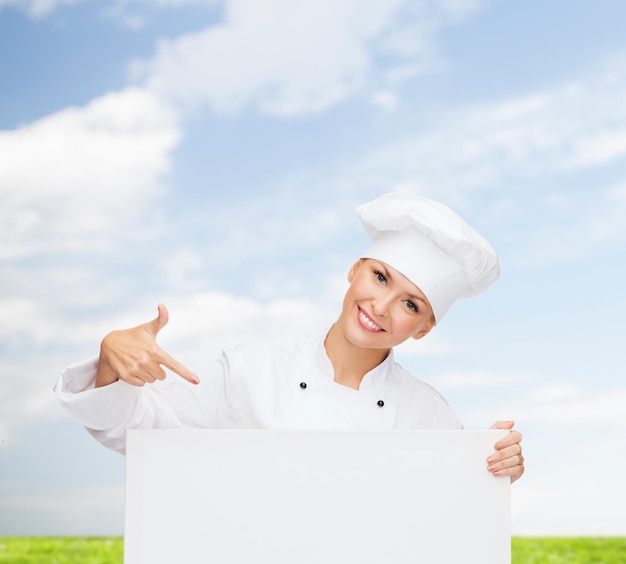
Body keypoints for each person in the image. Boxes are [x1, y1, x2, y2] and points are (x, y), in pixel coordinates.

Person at [55, 192, 524, 482]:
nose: (381, 307)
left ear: (423, 328)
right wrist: (109, 363)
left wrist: (493, 469)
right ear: (354, 270)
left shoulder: (432, 416)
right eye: (380, 277)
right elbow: (135, 434)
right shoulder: (248, 369)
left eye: (411, 303)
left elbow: (445, 521)